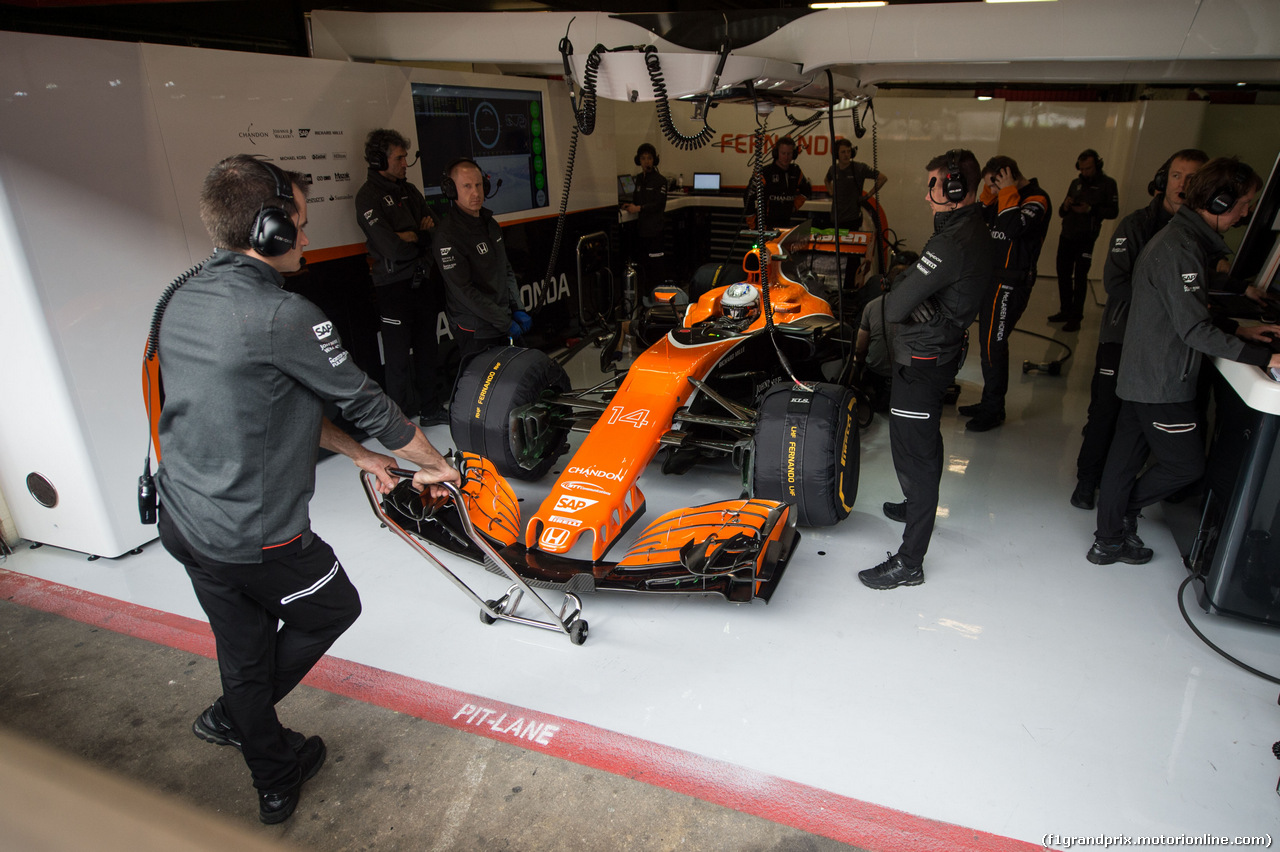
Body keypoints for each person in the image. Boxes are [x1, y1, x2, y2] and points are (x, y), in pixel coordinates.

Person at [155, 154, 460, 824]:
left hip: (183, 522)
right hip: (256, 536)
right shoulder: (283, 315)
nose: (308, 238)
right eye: (298, 222)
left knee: (241, 647)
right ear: (267, 231)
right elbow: (372, 406)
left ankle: (268, 762)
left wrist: (358, 458)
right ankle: (244, 716)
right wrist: (434, 464)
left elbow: (270, 403)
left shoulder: (182, 297)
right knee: (331, 607)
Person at [1088, 157, 1280, 565]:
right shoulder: (1180, 248)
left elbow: (1183, 311)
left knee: (1123, 462)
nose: (1247, 211)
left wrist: (1238, 331)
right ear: (1220, 201)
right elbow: (1194, 331)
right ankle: (1120, 518)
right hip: (1160, 380)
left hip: (1142, 372)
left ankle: (1108, 540)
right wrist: (1267, 355)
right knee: (1187, 466)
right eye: (1245, 202)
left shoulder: (1181, 240)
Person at [859, 149, 994, 590]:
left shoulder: (950, 242)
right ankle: (916, 503)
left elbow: (896, 305)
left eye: (933, 184)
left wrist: (913, 294)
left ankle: (909, 561)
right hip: (936, 354)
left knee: (914, 453)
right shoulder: (968, 228)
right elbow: (912, 294)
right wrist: (918, 294)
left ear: (954, 189)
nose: (926, 195)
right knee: (925, 439)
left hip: (923, 360)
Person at [1070, 149, 1209, 510]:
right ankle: (1087, 482)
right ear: (1163, 181)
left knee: (1136, 425)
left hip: (1167, 345)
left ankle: (1127, 498)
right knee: (1104, 412)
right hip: (1121, 336)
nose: (1183, 185)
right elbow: (1117, 283)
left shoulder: (1199, 235)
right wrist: (1173, 306)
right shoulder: (1136, 225)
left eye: (1193, 179)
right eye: (1177, 176)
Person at [355, 129, 448, 427]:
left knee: (427, 350)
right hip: (393, 288)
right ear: (379, 159)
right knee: (396, 359)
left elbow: (436, 231)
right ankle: (398, 423)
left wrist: (414, 236)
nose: (405, 163)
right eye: (399, 157)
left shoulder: (410, 191)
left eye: (406, 156)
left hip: (423, 282)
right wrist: (414, 237)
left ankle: (431, 409)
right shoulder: (368, 197)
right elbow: (391, 248)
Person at [960, 155, 1052, 432]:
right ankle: (991, 402)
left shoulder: (1037, 198)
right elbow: (980, 218)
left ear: (1008, 176)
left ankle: (993, 409)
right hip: (992, 279)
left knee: (993, 345)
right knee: (989, 344)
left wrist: (1008, 192)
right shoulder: (1003, 196)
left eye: (995, 184)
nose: (995, 191)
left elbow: (1012, 229)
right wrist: (989, 193)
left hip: (1012, 283)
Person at [433, 158, 530, 369]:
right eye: (466, 186)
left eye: (478, 185)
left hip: (501, 320)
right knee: (484, 391)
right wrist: (504, 322)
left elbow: (505, 269)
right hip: (475, 328)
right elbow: (464, 291)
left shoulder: (490, 224)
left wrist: (517, 307)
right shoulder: (447, 235)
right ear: (451, 189)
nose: (475, 193)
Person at [1052, 148, 1119, 332]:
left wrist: (1090, 209)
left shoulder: (1108, 184)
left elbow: (1113, 211)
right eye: (1081, 169)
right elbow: (1061, 212)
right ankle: (1065, 310)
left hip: (1086, 237)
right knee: (1063, 273)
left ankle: (1076, 317)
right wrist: (1066, 205)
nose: (1084, 172)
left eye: (1088, 168)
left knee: (1080, 277)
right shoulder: (1075, 183)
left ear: (1097, 165)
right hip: (1067, 234)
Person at [621, 142, 668, 295]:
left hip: (655, 230)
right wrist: (630, 205)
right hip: (641, 231)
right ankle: (646, 296)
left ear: (654, 160)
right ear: (638, 160)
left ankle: (658, 297)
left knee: (656, 266)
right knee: (643, 265)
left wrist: (639, 208)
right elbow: (638, 199)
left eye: (649, 158)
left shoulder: (660, 180)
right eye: (643, 158)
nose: (646, 161)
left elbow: (659, 204)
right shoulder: (639, 179)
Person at [745, 135, 812, 231]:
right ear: (776, 153)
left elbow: (806, 191)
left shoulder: (796, 171)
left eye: (789, 153)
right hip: (765, 228)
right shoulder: (765, 172)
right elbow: (748, 196)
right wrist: (753, 225)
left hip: (785, 226)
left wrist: (794, 206)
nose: (786, 157)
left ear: (794, 155)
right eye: (783, 153)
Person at [825, 138, 887, 233]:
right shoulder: (833, 169)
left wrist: (868, 196)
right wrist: (831, 192)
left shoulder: (859, 168)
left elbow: (882, 178)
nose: (846, 155)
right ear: (837, 154)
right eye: (843, 152)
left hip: (852, 219)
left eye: (849, 151)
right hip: (836, 218)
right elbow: (827, 180)